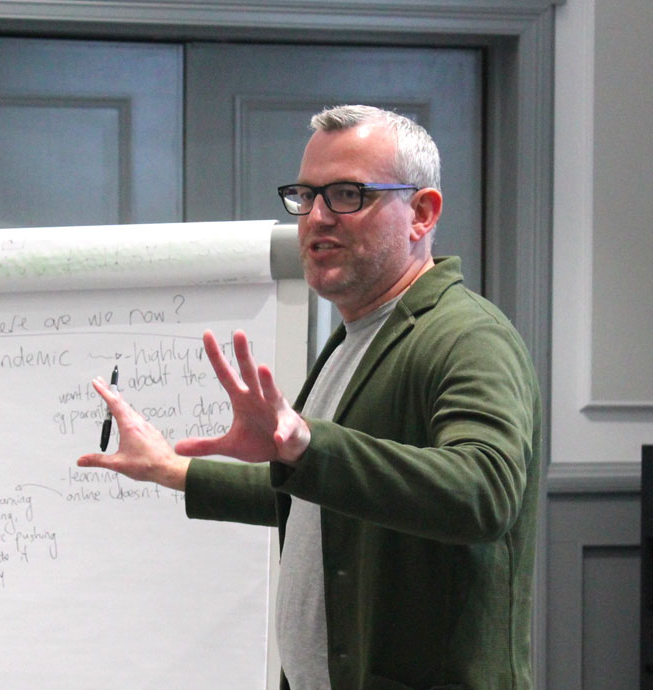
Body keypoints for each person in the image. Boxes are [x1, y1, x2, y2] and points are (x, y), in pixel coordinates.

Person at [77, 104, 541, 690]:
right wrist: (173, 469)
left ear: (421, 213)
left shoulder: (467, 337)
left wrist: (308, 446)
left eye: (348, 194)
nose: (318, 217)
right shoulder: (355, 337)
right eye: (306, 195)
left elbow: (485, 492)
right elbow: (319, 500)